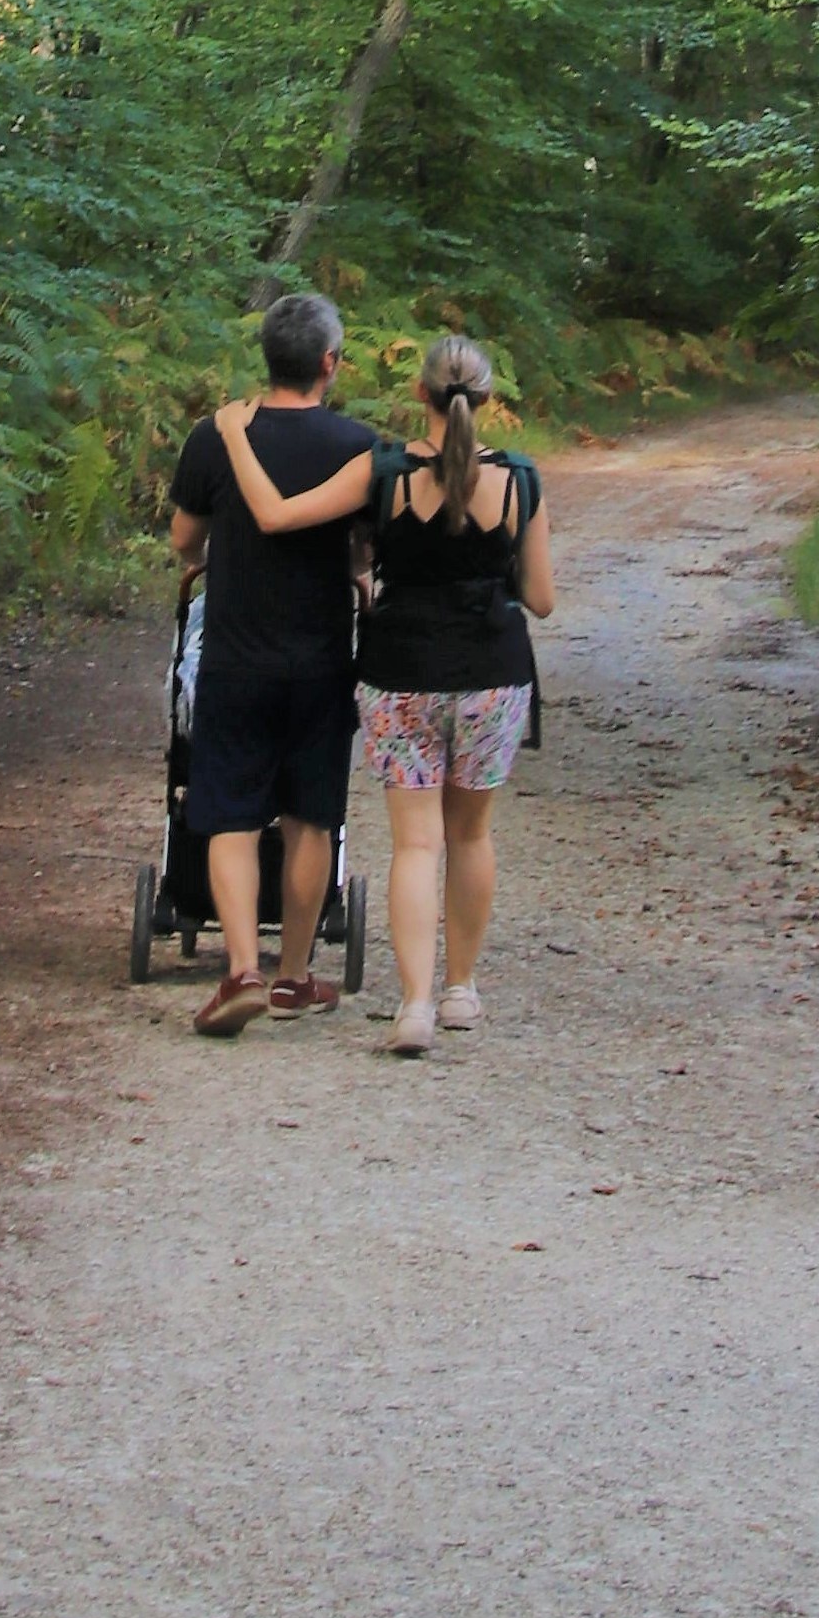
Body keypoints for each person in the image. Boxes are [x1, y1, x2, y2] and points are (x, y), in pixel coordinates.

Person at [213, 332, 555, 1058]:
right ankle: (461, 989)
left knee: (416, 843)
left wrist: (234, 436)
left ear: (419, 393)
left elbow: (275, 514)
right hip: (492, 674)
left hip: (401, 674)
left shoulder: (383, 470)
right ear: (487, 399)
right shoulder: (521, 479)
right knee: (471, 836)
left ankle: (415, 1005)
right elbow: (542, 598)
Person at [165, 291, 378, 1036]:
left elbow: (184, 539)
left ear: (267, 356)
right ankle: (291, 976)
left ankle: (240, 971)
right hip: (319, 659)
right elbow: (363, 550)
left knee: (229, 814)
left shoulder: (215, 435)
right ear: (329, 362)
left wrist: (212, 551)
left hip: (235, 656)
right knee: (310, 818)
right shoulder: (359, 443)